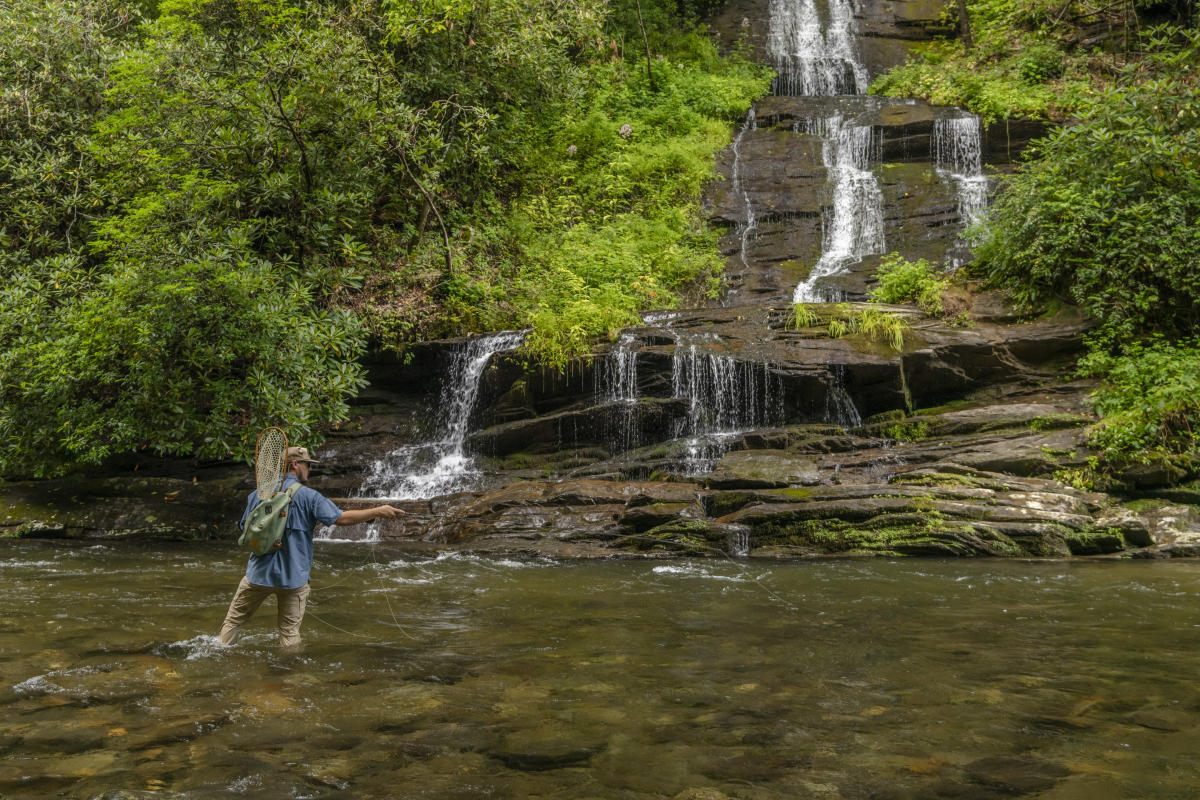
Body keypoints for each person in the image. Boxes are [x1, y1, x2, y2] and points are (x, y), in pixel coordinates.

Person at [217, 445, 403, 650]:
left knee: (233, 622)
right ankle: (290, 675)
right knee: (289, 633)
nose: (310, 469)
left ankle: (220, 659)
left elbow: (244, 528)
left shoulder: (257, 494)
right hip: (293, 578)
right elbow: (341, 519)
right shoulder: (309, 497)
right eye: (307, 464)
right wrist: (378, 510)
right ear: (296, 464)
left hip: (258, 574)